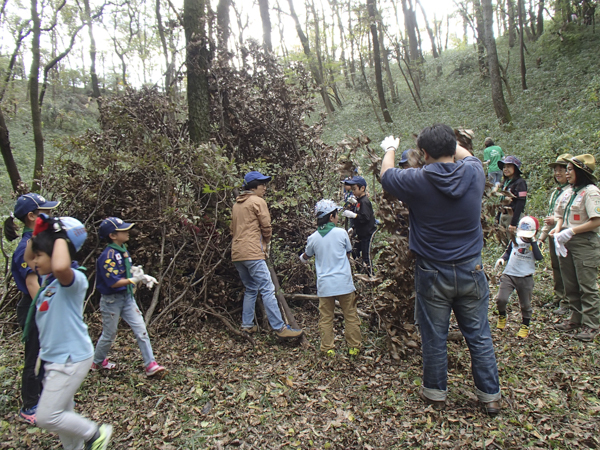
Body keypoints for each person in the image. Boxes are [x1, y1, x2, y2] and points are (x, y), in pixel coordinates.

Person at [379, 125, 501, 416]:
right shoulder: (474, 172)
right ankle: (490, 397)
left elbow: (386, 175)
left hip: (432, 273)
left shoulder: (416, 180)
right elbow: (466, 154)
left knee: (434, 336)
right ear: (452, 147)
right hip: (471, 270)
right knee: (479, 335)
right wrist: (447, 140)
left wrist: (390, 148)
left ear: (423, 154)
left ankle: (435, 395)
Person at [23, 214, 112, 450]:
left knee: (47, 416)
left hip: (71, 359)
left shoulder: (74, 280)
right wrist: (40, 234)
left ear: (59, 252)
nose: (35, 261)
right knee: (63, 414)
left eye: (42, 255)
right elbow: (28, 256)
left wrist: (59, 234)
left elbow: (61, 265)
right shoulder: (50, 283)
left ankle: (95, 433)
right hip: (54, 360)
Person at [4, 194, 59, 425]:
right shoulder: (26, 247)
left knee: (45, 354)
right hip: (33, 308)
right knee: (34, 357)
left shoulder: (39, 241)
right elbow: (32, 284)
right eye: (44, 211)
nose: (50, 215)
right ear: (32, 216)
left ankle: (46, 397)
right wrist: (45, 309)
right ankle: (29, 405)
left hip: (42, 304)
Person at [231, 171, 303, 338]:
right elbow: (266, 226)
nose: (265, 187)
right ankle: (279, 328)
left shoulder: (236, 205)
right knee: (268, 288)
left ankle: (247, 325)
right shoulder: (258, 201)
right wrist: (266, 242)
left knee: (251, 287)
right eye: (262, 184)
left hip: (237, 254)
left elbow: (232, 230)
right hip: (253, 253)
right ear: (253, 186)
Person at [93, 217, 165, 378]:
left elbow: (124, 270)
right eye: (122, 231)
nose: (127, 232)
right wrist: (134, 280)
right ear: (112, 235)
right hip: (112, 301)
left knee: (141, 331)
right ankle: (97, 361)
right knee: (109, 334)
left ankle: (150, 364)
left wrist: (141, 275)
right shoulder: (108, 255)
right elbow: (113, 281)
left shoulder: (122, 250)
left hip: (127, 298)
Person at [299, 200, 361, 356]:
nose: (338, 217)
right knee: (351, 315)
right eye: (336, 214)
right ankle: (353, 347)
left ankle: (328, 349)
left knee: (326, 318)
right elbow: (348, 253)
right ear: (331, 216)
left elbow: (306, 255)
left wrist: (302, 257)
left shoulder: (313, 238)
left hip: (325, 285)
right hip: (344, 283)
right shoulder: (342, 233)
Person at [550, 154, 600, 342]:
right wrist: (558, 231)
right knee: (570, 282)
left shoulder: (591, 192)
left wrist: (571, 232)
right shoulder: (569, 191)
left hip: (584, 243)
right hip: (566, 241)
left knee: (586, 285)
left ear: (580, 172)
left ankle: (591, 324)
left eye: (570, 170)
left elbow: (596, 220)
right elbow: (560, 213)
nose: (566, 173)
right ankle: (575, 318)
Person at [494, 216, 543, 339]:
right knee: (501, 299)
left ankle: (525, 325)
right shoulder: (515, 239)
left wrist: (532, 241)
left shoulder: (536, 244)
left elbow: (539, 257)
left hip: (525, 277)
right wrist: (502, 259)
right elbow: (508, 251)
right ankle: (502, 316)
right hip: (510, 274)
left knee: (525, 304)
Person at [537, 154, 573, 315]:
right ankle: (559, 298)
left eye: (562, 170)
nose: (558, 173)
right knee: (556, 267)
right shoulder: (556, 192)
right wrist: (542, 237)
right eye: (556, 170)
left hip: (567, 236)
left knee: (568, 270)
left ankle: (568, 302)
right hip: (554, 235)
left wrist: (558, 221)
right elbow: (550, 217)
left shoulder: (574, 192)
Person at [341, 176, 377, 275]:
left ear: (362, 188)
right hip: (360, 234)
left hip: (367, 234)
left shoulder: (364, 201)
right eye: (352, 190)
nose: (353, 192)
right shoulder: (359, 201)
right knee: (355, 252)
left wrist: (354, 215)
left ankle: (370, 277)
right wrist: (353, 228)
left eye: (354, 189)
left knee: (366, 257)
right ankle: (361, 272)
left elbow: (365, 217)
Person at [497, 156, 527, 244]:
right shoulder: (505, 183)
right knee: (504, 242)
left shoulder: (520, 183)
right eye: (504, 167)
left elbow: (520, 203)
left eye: (509, 166)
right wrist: (498, 217)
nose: (506, 169)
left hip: (512, 216)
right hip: (504, 215)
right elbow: (501, 202)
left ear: (515, 168)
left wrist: (514, 223)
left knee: (513, 243)